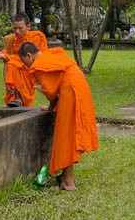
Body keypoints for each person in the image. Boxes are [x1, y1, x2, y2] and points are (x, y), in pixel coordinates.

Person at [18, 42, 98, 190]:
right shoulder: (50, 54)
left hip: (70, 92)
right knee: (71, 134)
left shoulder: (39, 65)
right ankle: (64, 175)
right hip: (80, 87)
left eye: (24, 62)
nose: (26, 66)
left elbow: (50, 92)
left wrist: (50, 107)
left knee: (65, 136)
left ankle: (68, 181)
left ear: (29, 56)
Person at [0, 14, 48, 107]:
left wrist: (4, 56)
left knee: (12, 63)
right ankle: (16, 98)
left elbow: (40, 57)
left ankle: (18, 98)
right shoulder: (10, 40)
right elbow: (7, 59)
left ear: (28, 26)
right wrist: (6, 81)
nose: (17, 31)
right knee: (12, 64)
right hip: (13, 74)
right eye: (14, 28)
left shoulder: (37, 37)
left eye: (20, 28)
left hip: (30, 71)